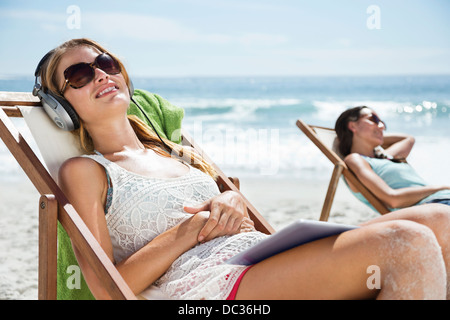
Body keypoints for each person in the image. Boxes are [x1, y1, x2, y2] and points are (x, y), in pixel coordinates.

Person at [37, 38, 450, 300]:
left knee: (441, 219)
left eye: (106, 62)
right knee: (406, 241)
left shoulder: (176, 154)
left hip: (261, 258)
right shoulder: (86, 171)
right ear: (61, 108)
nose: (101, 75)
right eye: (78, 74)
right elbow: (109, 289)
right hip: (208, 286)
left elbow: (229, 215)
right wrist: (188, 230)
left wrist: (232, 197)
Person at [335, 106, 450, 210]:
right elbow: (393, 199)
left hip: (441, 200)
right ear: (352, 125)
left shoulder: (385, 157)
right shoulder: (355, 160)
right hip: (433, 205)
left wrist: (376, 134)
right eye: (373, 119)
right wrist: (441, 187)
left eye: (382, 123)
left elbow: (409, 139)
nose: (382, 126)